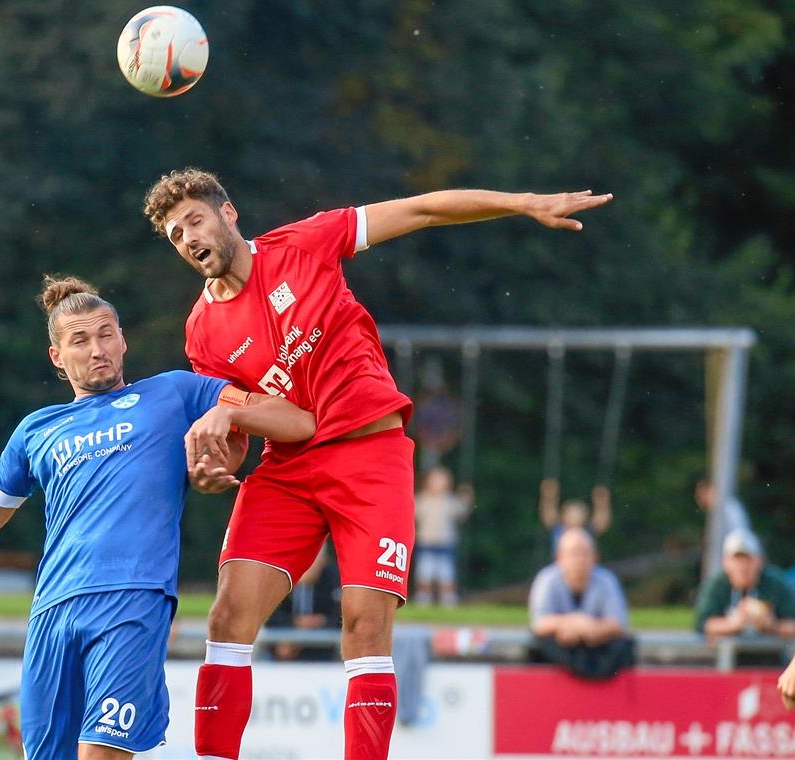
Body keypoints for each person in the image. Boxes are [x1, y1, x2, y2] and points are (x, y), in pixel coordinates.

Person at [143, 168, 612, 759]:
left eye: (194, 220)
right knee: (227, 618)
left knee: (364, 625)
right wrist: (216, 462)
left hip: (370, 455)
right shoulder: (202, 335)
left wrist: (521, 201)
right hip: (288, 469)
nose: (187, 238)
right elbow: (250, 425)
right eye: (174, 234)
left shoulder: (303, 244)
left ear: (228, 214)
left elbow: (421, 211)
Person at [0, 275, 316, 759]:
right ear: (57, 357)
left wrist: (231, 415)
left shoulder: (173, 393)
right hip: (52, 613)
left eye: (106, 334)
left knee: (100, 754)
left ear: (123, 339)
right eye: (80, 340)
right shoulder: (36, 431)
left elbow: (297, 420)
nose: (97, 349)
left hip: (132, 601)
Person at [527, 527, 634, 679]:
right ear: (559, 557)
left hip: (597, 642)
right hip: (562, 644)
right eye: (573, 553)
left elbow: (618, 623)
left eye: (584, 553)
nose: (579, 559)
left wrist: (591, 630)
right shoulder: (547, 580)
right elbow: (539, 623)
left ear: (595, 557)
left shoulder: (606, 580)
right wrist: (573, 623)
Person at [694, 529, 795, 651]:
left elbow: (792, 624)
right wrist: (732, 624)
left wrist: (772, 625)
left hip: (770, 658)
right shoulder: (716, 584)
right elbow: (703, 624)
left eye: (748, 559)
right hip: (722, 658)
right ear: (726, 562)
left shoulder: (776, 584)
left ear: (760, 561)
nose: (742, 566)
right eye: (737, 559)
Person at [266, 543, 342, 662]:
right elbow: (269, 617)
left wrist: (320, 622)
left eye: (313, 558)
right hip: (281, 653)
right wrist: (295, 624)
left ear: (323, 559)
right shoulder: (280, 578)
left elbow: (343, 618)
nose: (307, 564)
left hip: (325, 654)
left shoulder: (335, 579)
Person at [414, 466, 473, 607]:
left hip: (445, 544)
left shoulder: (450, 501)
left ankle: (448, 602)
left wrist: (466, 499)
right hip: (426, 543)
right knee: (425, 575)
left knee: (446, 576)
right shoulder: (422, 500)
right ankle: (423, 601)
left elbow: (461, 513)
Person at [694, 475, 752, 578]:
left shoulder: (730, 508)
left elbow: (741, 535)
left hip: (734, 562)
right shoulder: (716, 514)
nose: (701, 500)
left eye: (703, 494)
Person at [539, 477, 611, 556]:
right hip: (561, 567)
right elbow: (549, 513)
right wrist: (549, 497)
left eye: (579, 512)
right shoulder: (559, 528)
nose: (575, 516)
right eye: (572, 513)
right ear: (563, 516)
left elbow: (601, 522)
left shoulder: (587, 530)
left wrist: (602, 503)